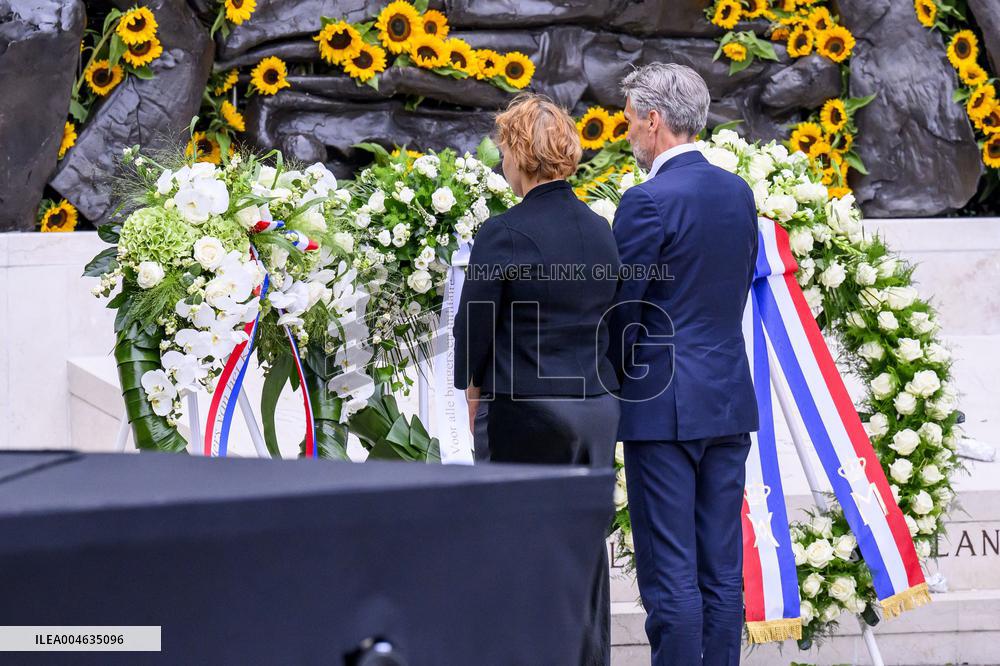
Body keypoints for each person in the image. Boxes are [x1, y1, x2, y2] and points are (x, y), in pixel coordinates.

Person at [453, 93, 621, 665]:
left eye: (504, 149)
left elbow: (474, 325)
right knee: (584, 554)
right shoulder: (601, 230)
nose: (502, 161)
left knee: (517, 551)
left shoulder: (505, 232)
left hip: (527, 409)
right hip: (595, 409)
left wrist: (472, 389)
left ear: (521, 154)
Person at [607, 63, 759, 666]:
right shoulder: (738, 192)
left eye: (629, 123)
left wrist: (612, 384)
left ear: (654, 120)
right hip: (726, 398)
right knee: (721, 573)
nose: (626, 135)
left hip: (663, 407)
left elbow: (623, 311)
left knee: (671, 576)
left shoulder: (647, 201)